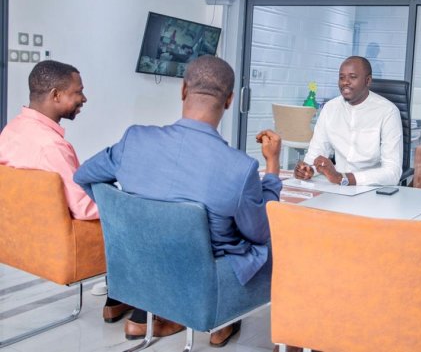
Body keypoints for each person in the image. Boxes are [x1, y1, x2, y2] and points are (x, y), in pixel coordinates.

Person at [74, 55, 282, 346]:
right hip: (206, 281)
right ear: (229, 100)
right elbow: (260, 233)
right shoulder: (240, 167)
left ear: (183, 90)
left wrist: (119, 217)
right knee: (281, 244)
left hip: (140, 266)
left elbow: (84, 175)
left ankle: (173, 315)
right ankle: (226, 323)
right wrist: (272, 168)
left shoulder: (134, 140)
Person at [0, 60, 132, 323]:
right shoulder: (51, 147)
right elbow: (83, 208)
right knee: (138, 220)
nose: (84, 98)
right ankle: (131, 301)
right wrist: (125, 202)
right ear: (56, 95)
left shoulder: (11, 129)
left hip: (26, 240)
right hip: (68, 245)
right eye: (77, 92)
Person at [294, 56, 402, 186]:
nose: (345, 82)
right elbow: (315, 154)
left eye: (352, 77)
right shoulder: (330, 108)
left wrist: (343, 178)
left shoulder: (388, 112)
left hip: (372, 189)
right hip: (336, 186)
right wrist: (308, 170)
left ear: (367, 81)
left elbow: (392, 172)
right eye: (342, 77)